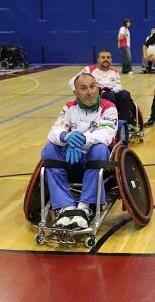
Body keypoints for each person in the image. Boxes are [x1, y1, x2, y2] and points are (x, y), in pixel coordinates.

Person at [41, 73, 117, 229]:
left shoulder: (109, 107)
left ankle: (85, 206)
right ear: (76, 93)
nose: (89, 92)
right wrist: (66, 136)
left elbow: (106, 135)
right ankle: (65, 207)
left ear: (98, 87)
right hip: (72, 159)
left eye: (92, 86)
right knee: (49, 149)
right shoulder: (69, 108)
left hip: (95, 158)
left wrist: (81, 139)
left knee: (100, 148)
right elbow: (54, 131)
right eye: (83, 88)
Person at [80, 49, 132, 126]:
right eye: (103, 57)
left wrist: (111, 89)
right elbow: (74, 82)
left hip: (112, 93)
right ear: (98, 59)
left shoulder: (114, 71)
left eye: (108, 57)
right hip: (95, 96)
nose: (106, 59)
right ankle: (111, 122)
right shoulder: (89, 70)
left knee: (125, 94)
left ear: (111, 60)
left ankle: (123, 123)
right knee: (108, 95)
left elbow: (118, 85)